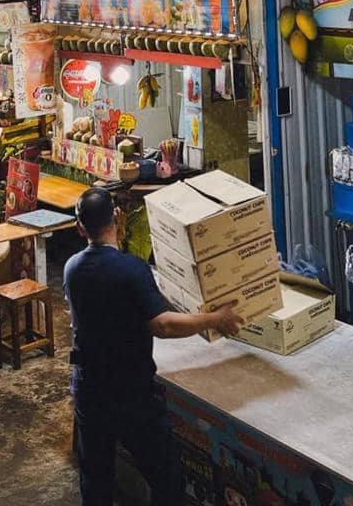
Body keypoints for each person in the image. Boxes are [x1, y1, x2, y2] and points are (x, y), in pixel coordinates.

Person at [64, 187, 244, 506]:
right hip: (130, 393)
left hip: (89, 388)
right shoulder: (131, 269)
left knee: (96, 479)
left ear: (79, 228)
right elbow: (162, 325)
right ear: (117, 218)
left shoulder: (72, 268)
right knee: (166, 478)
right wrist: (214, 318)